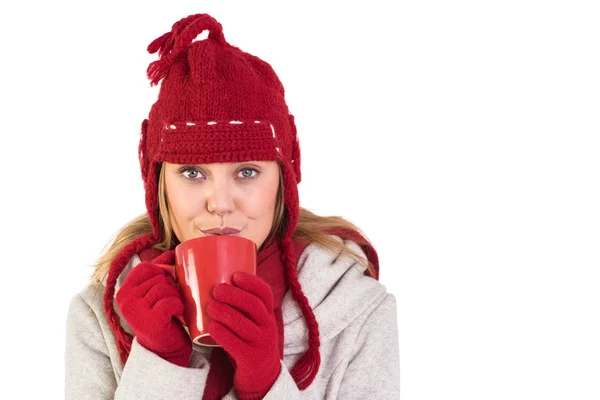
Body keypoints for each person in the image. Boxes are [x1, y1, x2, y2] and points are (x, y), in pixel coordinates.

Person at [65, 12, 400, 400]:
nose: (220, 204)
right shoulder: (100, 318)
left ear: (284, 179)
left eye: (247, 172)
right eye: (192, 173)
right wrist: (161, 362)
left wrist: (265, 382)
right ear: (159, 183)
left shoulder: (359, 310)